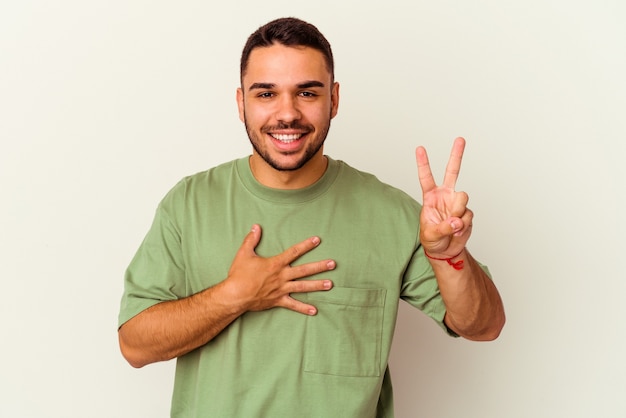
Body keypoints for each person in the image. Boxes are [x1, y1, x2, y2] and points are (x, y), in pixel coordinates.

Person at [118, 17, 505, 418]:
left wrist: (449, 257)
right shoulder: (189, 205)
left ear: (334, 99)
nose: (287, 114)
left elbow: (484, 325)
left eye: (306, 92)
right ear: (241, 103)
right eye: (266, 93)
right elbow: (135, 345)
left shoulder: (392, 213)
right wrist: (235, 295)